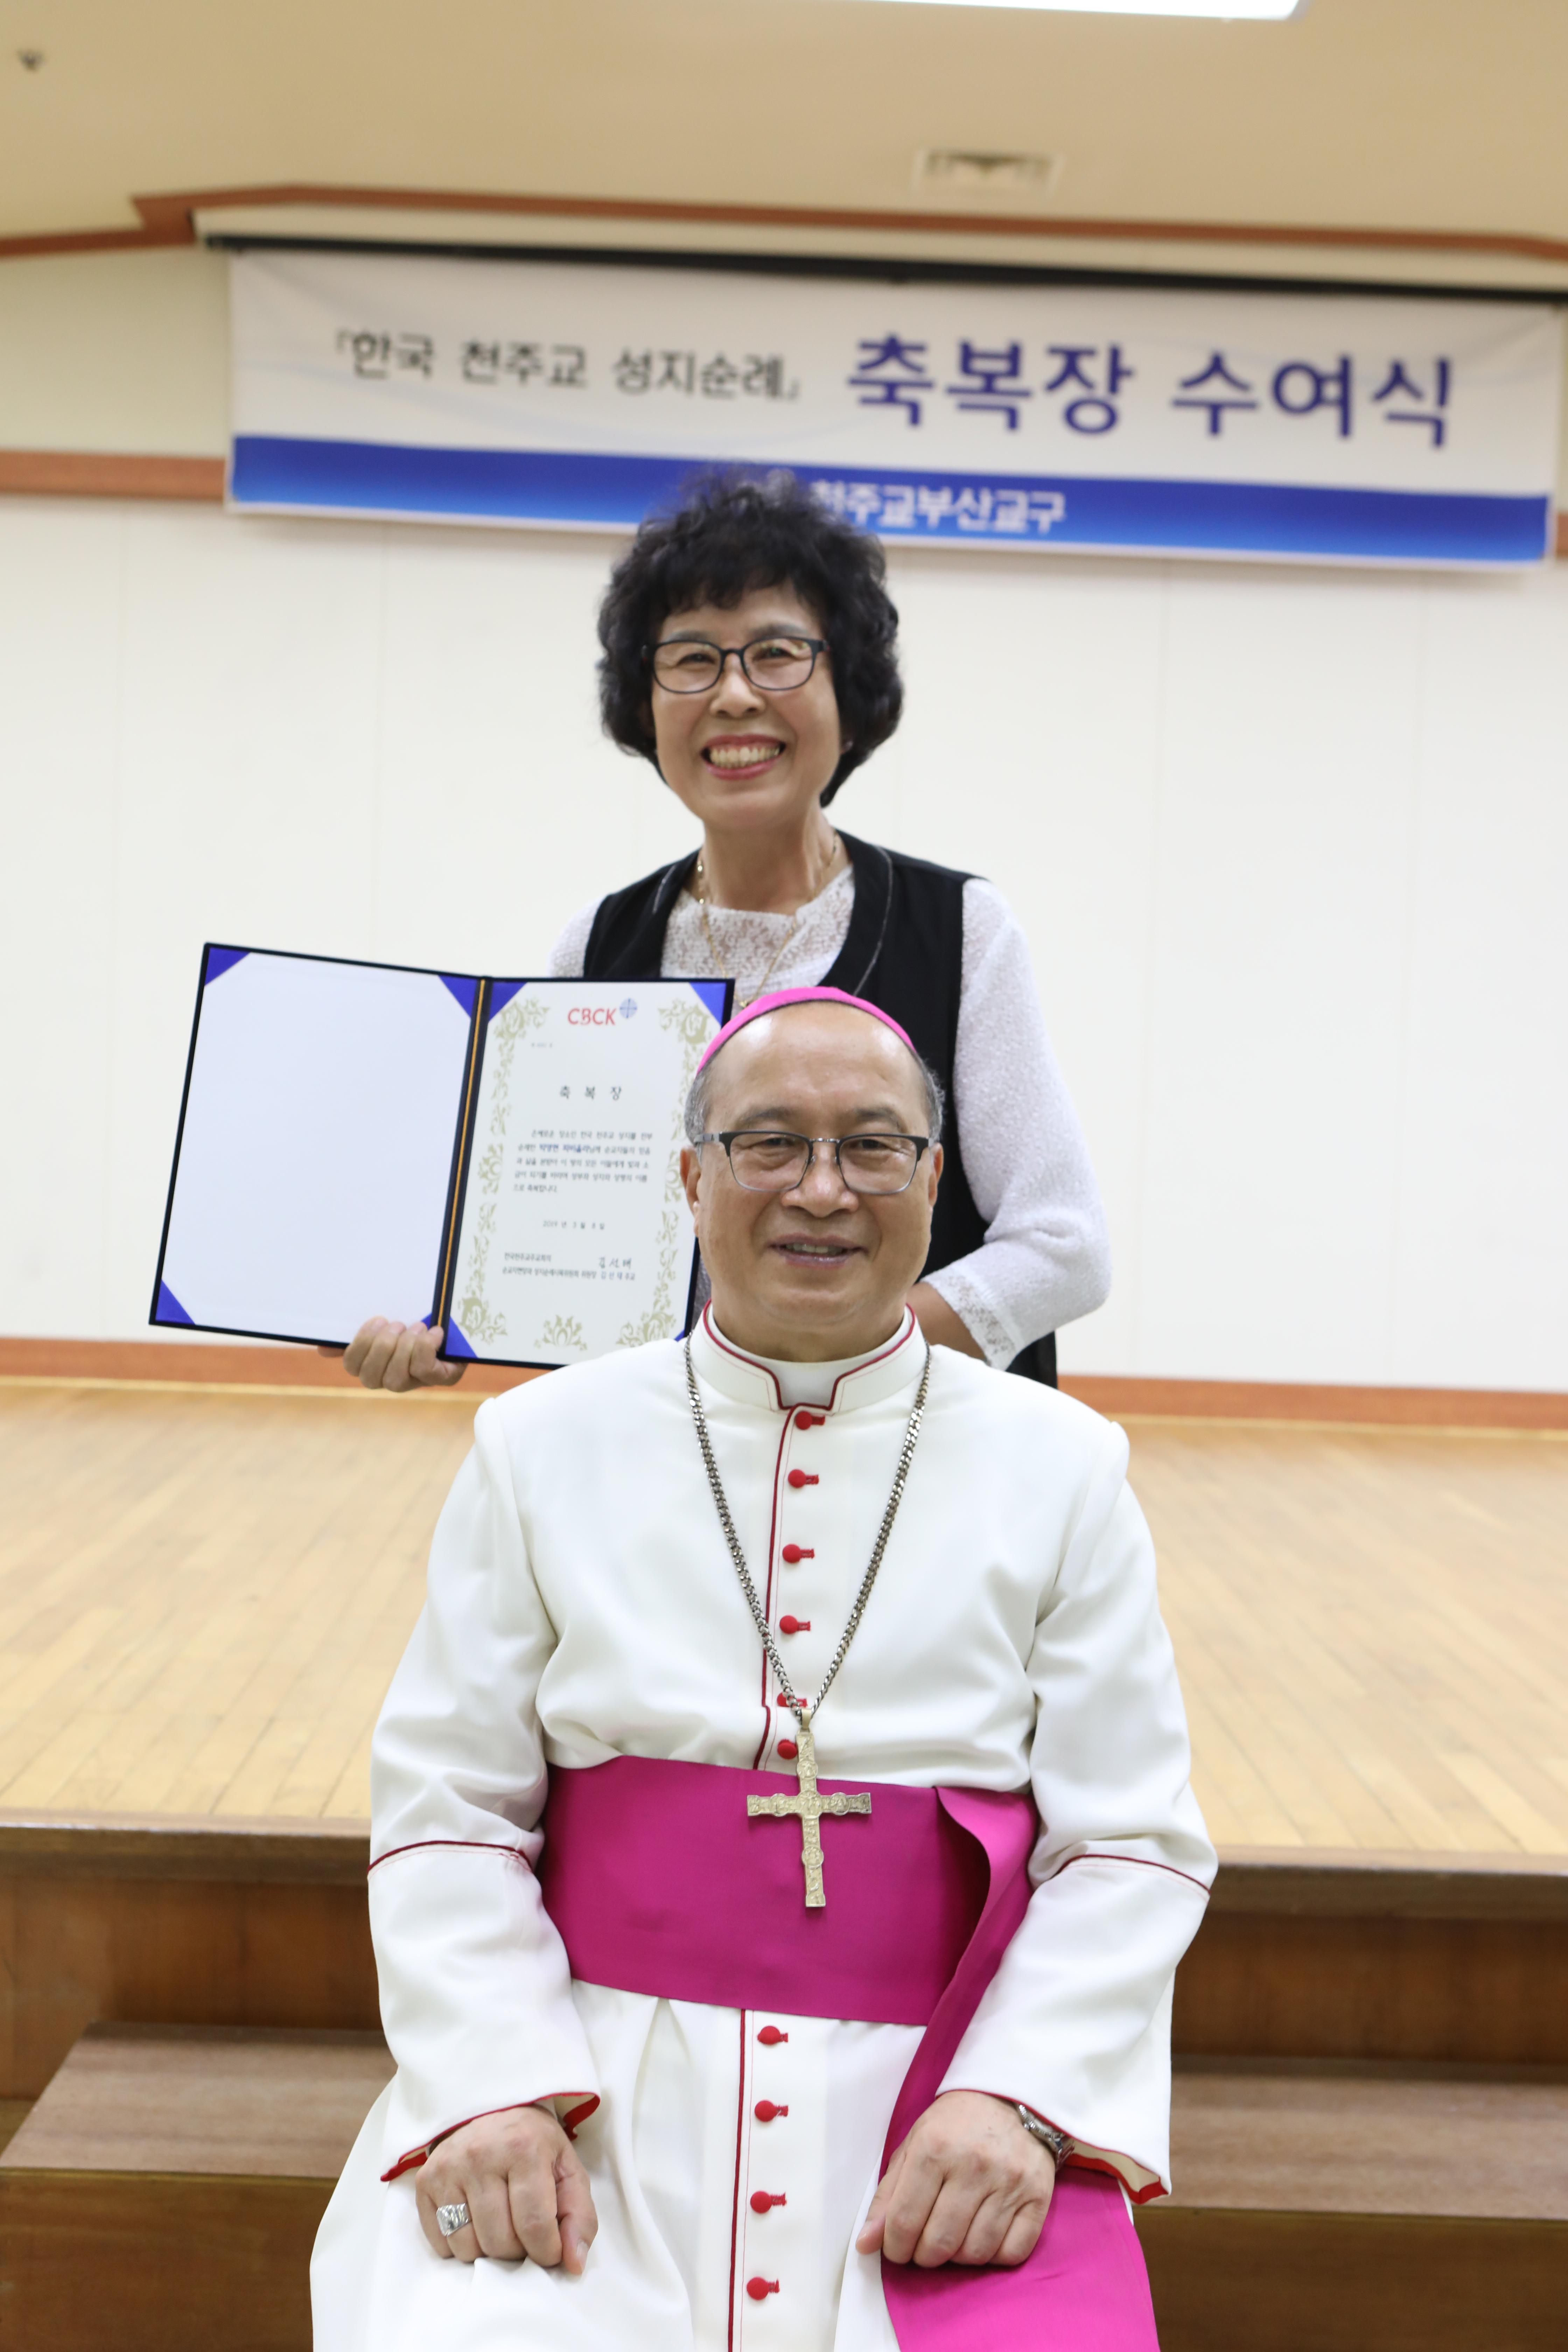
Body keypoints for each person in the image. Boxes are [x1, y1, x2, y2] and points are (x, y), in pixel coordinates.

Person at [312, 987, 1213, 2352]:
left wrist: (1019, 2100)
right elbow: (449, 1804)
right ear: (689, 1175)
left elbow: (1129, 1842)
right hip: (588, 2081)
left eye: (870, 1147)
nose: (821, 1190)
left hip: (936, 2092)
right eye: (768, 1143)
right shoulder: (539, 1444)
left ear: (932, 1178)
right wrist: (492, 2087)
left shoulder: (1064, 1467)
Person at [339, 471, 1109, 1396]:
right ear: (646, 703)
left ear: (850, 691)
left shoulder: (958, 930)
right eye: (693, 659)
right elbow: (561, 1243)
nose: (735, 695)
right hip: (674, 1460)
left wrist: (826, 1377)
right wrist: (449, 1323)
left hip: (913, 1459)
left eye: (778, 653)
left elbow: (1065, 1248)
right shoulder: (597, 946)